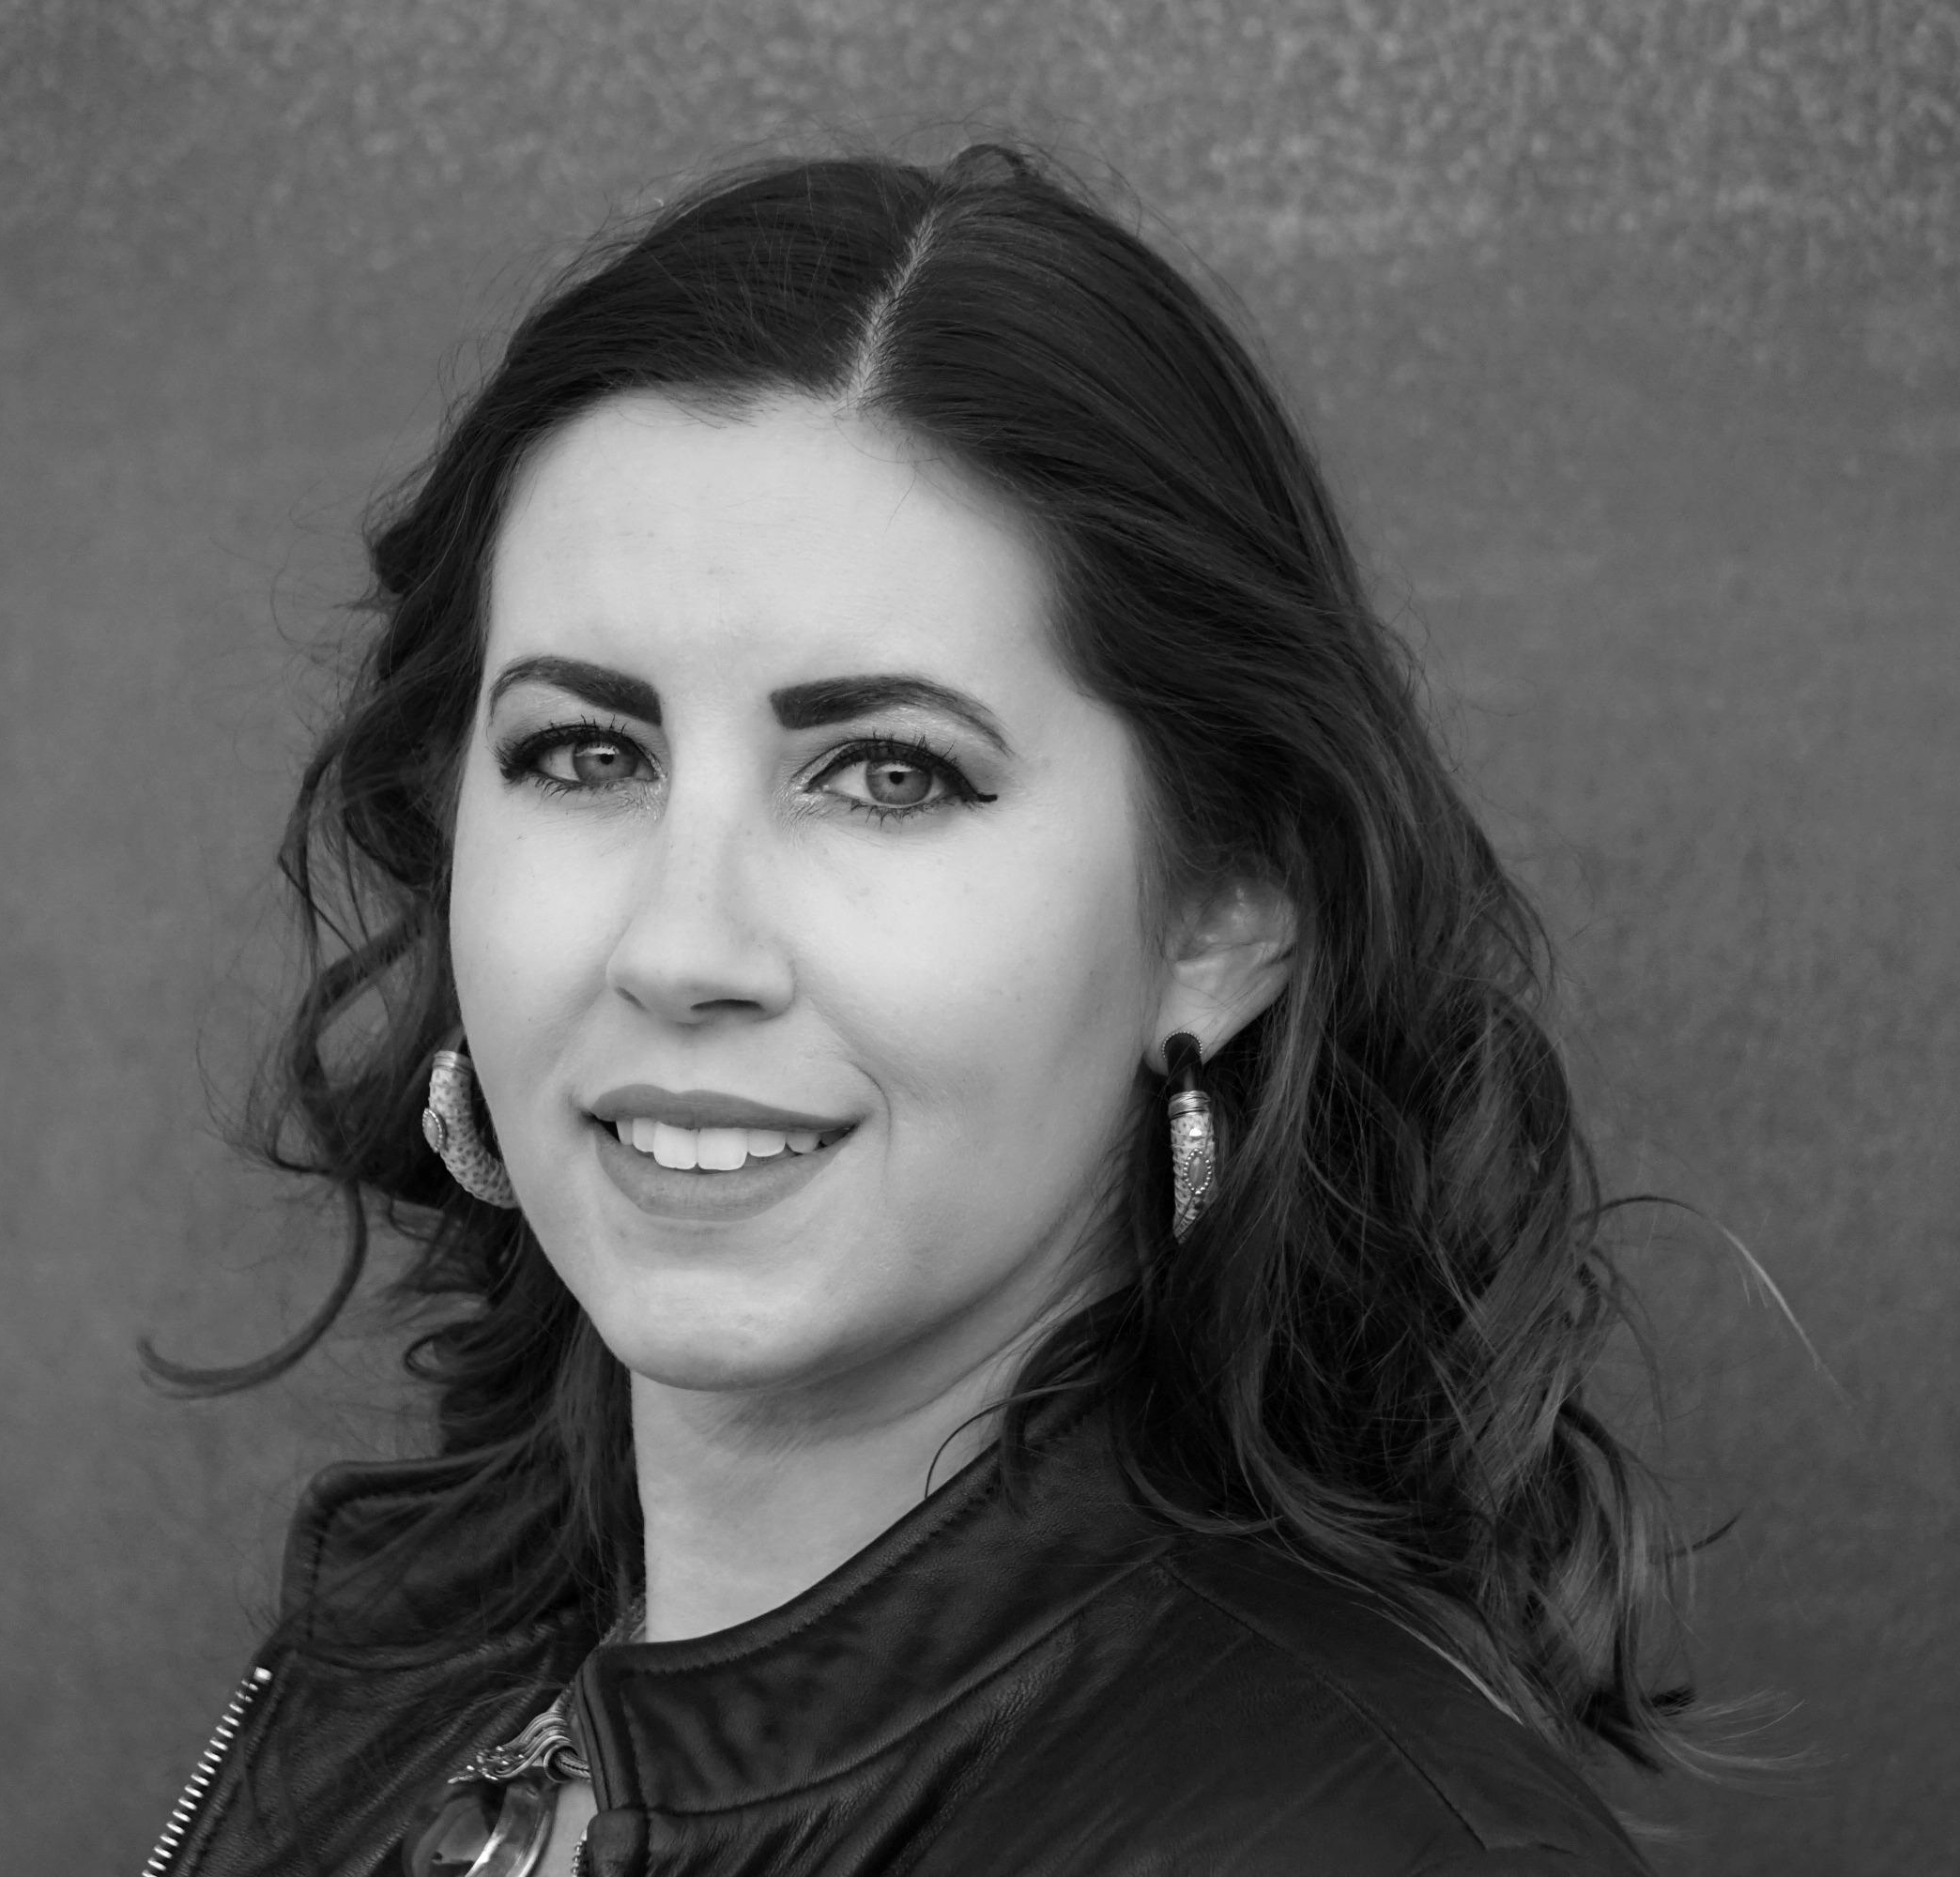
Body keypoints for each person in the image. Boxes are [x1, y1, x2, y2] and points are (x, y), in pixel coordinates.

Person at [140, 143, 1716, 1877]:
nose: (681, 945)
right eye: (586, 755)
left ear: (1222, 909)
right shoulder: (439, 1677)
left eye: (887, 776)